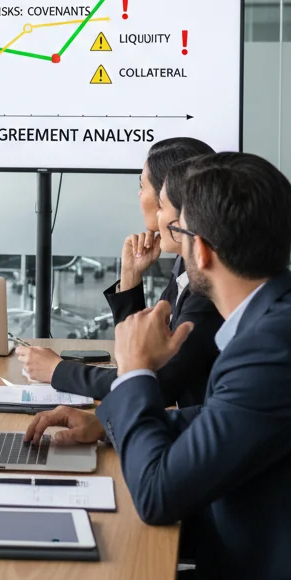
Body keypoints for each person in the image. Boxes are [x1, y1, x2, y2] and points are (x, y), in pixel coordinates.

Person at [25, 153, 291, 580]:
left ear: (202, 250)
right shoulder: (289, 315)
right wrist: (107, 422)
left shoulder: (274, 347)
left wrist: (135, 373)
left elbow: (159, 495)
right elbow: (220, 418)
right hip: (253, 578)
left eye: (180, 229)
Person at [23, 142, 222, 406]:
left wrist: (57, 371)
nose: (140, 196)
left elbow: (156, 382)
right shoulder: (185, 266)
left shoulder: (205, 285)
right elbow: (139, 355)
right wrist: (130, 277)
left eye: (144, 187)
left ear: (179, 203)